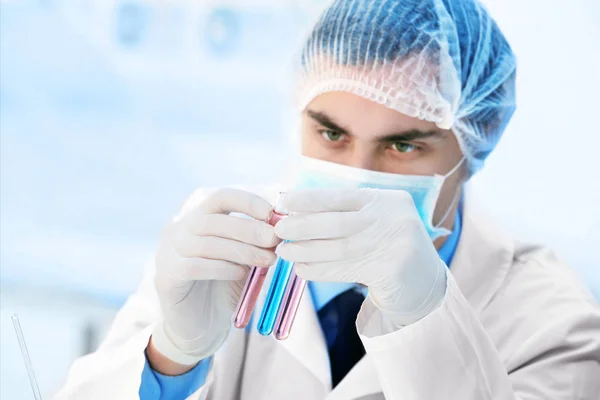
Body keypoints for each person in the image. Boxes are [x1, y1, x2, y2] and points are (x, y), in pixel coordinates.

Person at [55, 0, 600, 399]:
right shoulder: (224, 246)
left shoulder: (551, 323)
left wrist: (422, 313)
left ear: (473, 144)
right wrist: (170, 356)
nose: (354, 178)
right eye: (331, 134)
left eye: (403, 145)